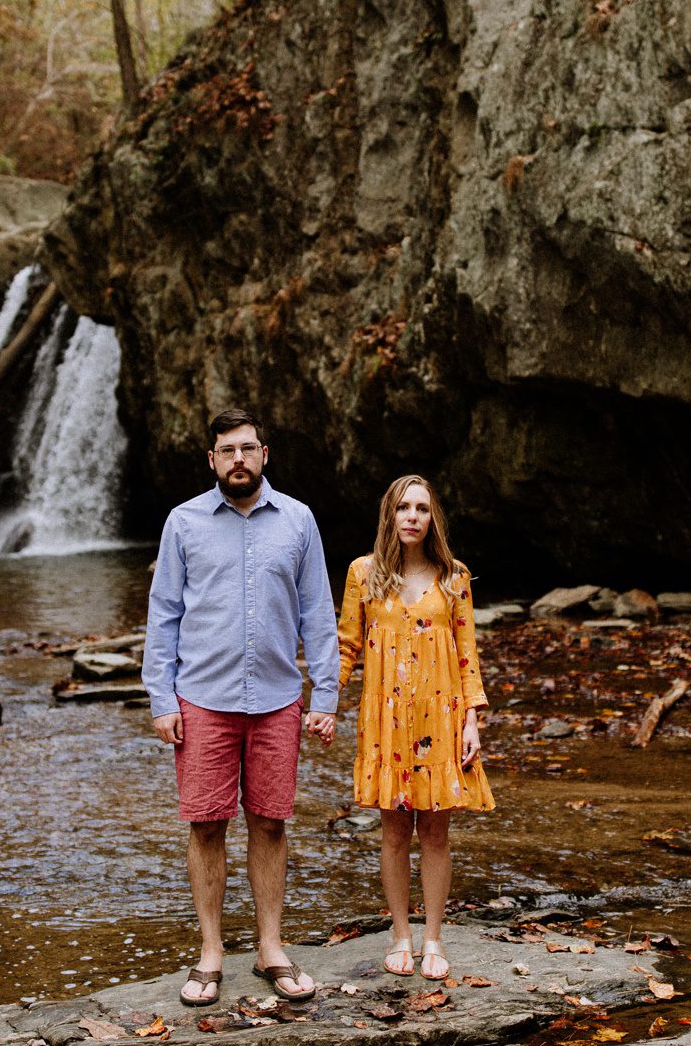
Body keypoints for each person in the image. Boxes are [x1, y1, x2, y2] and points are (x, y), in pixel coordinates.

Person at [143, 408, 339, 1008]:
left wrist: (326, 695)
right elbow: (163, 614)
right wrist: (161, 698)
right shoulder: (183, 522)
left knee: (271, 822)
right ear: (212, 459)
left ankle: (270, 948)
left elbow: (317, 612)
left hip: (278, 699)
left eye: (247, 448)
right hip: (202, 698)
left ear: (264, 454)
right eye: (227, 450)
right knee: (206, 824)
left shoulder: (299, 520)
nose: (238, 459)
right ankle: (210, 953)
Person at [336, 474, 494, 982]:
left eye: (422, 509)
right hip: (385, 720)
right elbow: (346, 646)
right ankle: (401, 935)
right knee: (393, 832)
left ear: (432, 519)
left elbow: (467, 654)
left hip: (441, 716)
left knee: (436, 833)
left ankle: (433, 939)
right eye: (404, 507)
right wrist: (321, 703)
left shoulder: (454, 576)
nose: (412, 517)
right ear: (390, 514)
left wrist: (472, 720)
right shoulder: (363, 573)